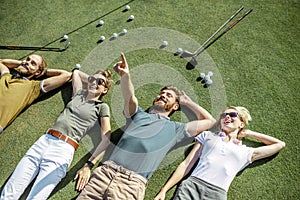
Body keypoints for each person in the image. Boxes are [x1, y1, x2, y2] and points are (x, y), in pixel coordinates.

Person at [76, 53, 216, 200]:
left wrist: (187, 102)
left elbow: (210, 122)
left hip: (131, 185)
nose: (163, 95)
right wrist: (125, 76)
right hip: (104, 174)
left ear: (175, 106)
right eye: (162, 93)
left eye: (168, 96)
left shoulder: (176, 129)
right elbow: (130, 97)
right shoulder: (138, 115)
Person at [0, 68, 113, 200]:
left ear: (105, 90)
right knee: (9, 193)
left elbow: (106, 138)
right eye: (92, 80)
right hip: (44, 141)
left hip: (63, 150)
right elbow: (75, 73)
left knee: (37, 197)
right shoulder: (78, 95)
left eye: (100, 82)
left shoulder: (101, 106)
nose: (95, 83)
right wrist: (93, 80)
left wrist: (89, 165)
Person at [154, 106, 286, 200]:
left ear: (241, 123)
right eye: (224, 115)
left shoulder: (246, 151)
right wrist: (164, 190)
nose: (227, 117)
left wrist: (249, 133)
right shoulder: (208, 136)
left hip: (218, 194)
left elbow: (279, 145)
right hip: (192, 186)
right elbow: (186, 164)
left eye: (233, 115)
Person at [0, 54, 71, 133]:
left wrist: (43, 71)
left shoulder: (33, 87)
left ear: (38, 72)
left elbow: (66, 75)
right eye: (28, 59)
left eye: (33, 63)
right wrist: (23, 63)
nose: (28, 62)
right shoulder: (6, 76)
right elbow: (1, 62)